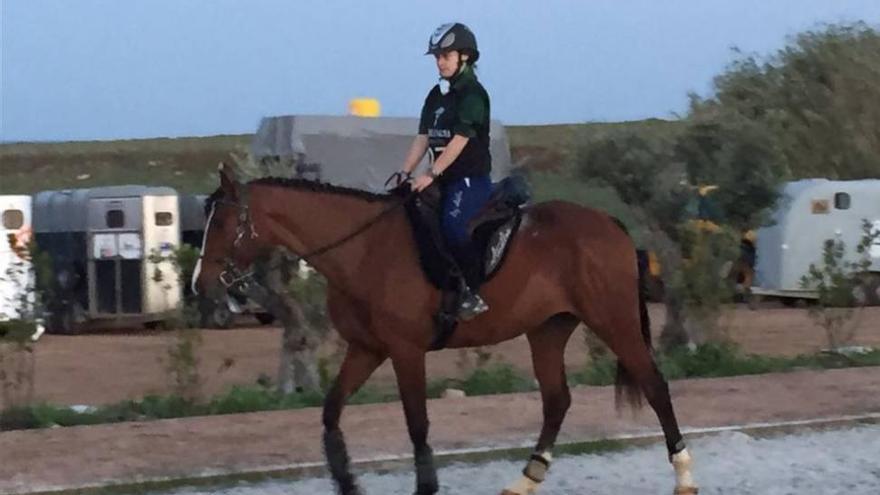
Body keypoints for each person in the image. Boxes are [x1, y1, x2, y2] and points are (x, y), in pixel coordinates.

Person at [398, 22, 492, 320]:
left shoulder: (473, 95)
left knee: (452, 228)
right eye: (437, 56)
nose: (439, 62)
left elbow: (458, 142)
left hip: (468, 180)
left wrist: (431, 174)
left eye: (445, 56)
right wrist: (404, 171)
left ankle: (473, 291)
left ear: (465, 57)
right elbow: (423, 137)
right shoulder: (436, 95)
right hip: (442, 177)